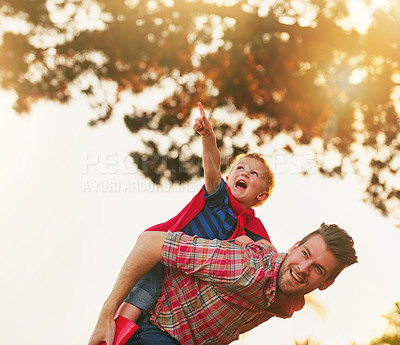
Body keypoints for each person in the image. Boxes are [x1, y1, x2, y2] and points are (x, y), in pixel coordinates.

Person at [100, 102, 275, 344]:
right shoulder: (218, 198)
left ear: (261, 196)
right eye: (240, 168)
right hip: (164, 253)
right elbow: (212, 165)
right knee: (146, 289)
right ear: (229, 177)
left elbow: (269, 256)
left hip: (186, 276)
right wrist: (208, 135)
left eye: (254, 174)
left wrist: (248, 243)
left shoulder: (251, 227)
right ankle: (117, 333)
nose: (244, 174)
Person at [88, 223, 357, 345]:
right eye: (305, 254)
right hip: (154, 330)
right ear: (294, 247)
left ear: (327, 283)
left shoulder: (287, 303)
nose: (303, 269)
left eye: (318, 269)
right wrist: (106, 315)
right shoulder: (241, 266)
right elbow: (150, 244)